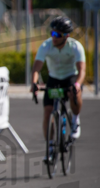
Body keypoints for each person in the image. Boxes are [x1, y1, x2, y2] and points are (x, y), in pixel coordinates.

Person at [31, 16, 86, 145]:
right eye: (52, 33)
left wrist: (77, 85)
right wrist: (34, 83)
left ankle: (75, 120)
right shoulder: (46, 45)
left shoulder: (75, 47)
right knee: (47, 113)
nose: (54, 37)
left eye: (57, 34)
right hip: (54, 78)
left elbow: (81, 70)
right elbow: (36, 69)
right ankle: (50, 146)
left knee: (74, 93)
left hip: (70, 76)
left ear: (66, 36)